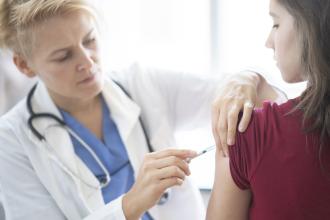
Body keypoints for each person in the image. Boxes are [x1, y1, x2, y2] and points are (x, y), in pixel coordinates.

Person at [0, 0, 284, 220]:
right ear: (24, 65)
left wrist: (246, 79)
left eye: (89, 40)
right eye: (63, 56)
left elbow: (261, 93)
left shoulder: (143, 85)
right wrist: (132, 204)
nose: (87, 62)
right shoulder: (11, 140)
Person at [207, 0, 330, 219]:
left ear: (312, 24)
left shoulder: (247, 134)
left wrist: (248, 78)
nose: (268, 42)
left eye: (276, 23)